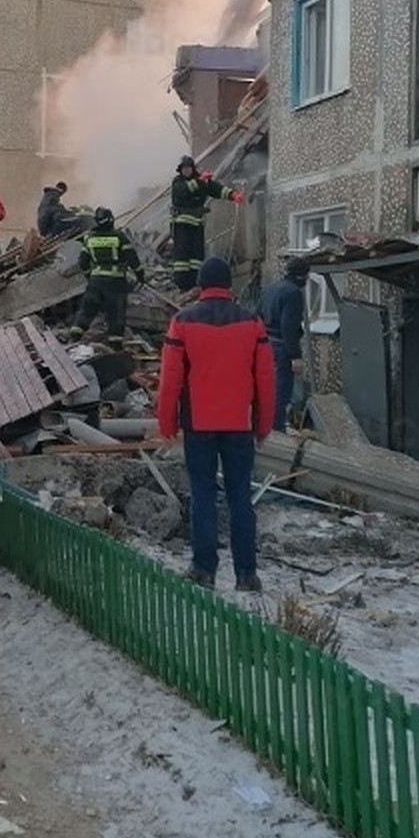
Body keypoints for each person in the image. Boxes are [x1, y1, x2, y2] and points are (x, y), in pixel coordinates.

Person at [156, 257, 275, 592]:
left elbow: (170, 381)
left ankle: (204, 570)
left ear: (200, 285)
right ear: (229, 286)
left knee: (203, 495)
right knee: (240, 498)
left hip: (200, 426)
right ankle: (247, 575)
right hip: (239, 424)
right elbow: (265, 380)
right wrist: (263, 425)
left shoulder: (182, 321)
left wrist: (167, 423)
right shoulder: (252, 323)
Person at [169, 155, 244, 292]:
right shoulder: (178, 182)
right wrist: (200, 180)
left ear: (193, 168)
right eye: (184, 169)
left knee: (197, 256)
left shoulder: (202, 181)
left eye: (188, 168)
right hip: (182, 224)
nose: (186, 171)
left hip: (197, 224)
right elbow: (183, 191)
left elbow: (217, 189)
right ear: (180, 170)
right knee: (182, 257)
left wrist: (233, 195)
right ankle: (182, 284)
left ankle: (195, 283)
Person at [67, 208, 143, 341]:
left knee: (87, 309)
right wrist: (140, 276)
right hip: (115, 282)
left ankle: (75, 335)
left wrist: (90, 277)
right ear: (111, 220)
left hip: (96, 281)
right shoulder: (118, 236)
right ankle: (115, 344)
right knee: (116, 314)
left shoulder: (90, 238)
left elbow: (83, 262)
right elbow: (133, 259)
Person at [258, 257, 311, 432]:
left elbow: (256, 315)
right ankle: (275, 429)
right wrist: (295, 355)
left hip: (265, 343)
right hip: (282, 347)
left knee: (265, 389)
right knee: (281, 391)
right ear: (302, 276)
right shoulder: (293, 293)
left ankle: (263, 425)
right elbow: (289, 326)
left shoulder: (270, 289)